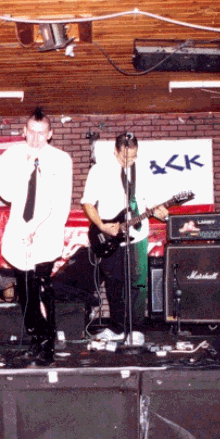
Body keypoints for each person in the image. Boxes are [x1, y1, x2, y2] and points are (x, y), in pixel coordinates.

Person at [0, 108, 73, 365]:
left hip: (46, 232)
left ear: (50, 134)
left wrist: (40, 230)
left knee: (41, 286)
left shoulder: (61, 160)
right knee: (25, 290)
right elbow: (6, 193)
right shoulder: (11, 155)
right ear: (24, 131)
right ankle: (35, 337)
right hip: (18, 232)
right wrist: (24, 169)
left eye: (42, 133)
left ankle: (48, 344)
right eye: (31, 132)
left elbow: (61, 203)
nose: (36, 138)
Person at [81, 132, 168, 342]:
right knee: (114, 284)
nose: (129, 161)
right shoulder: (99, 170)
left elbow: (152, 201)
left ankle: (136, 330)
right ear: (115, 151)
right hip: (110, 235)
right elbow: (88, 203)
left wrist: (159, 211)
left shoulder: (144, 170)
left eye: (134, 156)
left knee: (138, 284)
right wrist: (101, 226)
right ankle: (117, 328)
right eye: (124, 157)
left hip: (138, 235)